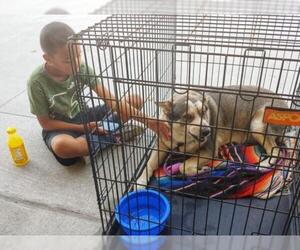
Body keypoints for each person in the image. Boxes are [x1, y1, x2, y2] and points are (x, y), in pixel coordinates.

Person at [27, 21, 170, 166]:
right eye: (68, 60)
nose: (77, 63)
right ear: (48, 58)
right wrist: (84, 128)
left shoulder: (81, 68)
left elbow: (111, 100)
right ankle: (115, 136)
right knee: (62, 147)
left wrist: (147, 120)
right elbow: (46, 123)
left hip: (84, 114)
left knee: (135, 100)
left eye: (79, 55)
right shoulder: (36, 82)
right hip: (61, 127)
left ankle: (95, 139)